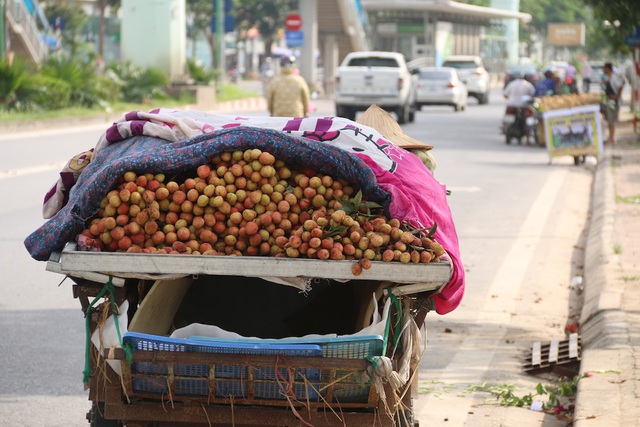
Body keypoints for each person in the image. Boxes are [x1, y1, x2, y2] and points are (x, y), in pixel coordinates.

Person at [502, 72, 536, 143]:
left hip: (512, 104)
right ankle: (528, 138)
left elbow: (505, 95)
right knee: (528, 120)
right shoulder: (528, 85)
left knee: (506, 115)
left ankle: (503, 127)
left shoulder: (512, 84)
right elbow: (533, 95)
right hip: (524, 106)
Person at [601, 62, 626, 144]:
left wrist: (616, 96)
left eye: (604, 68)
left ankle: (612, 137)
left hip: (613, 102)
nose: (603, 70)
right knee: (609, 119)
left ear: (607, 69)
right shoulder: (608, 78)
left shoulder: (614, 77)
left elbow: (621, 86)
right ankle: (610, 137)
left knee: (612, 120)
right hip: (609, 101)